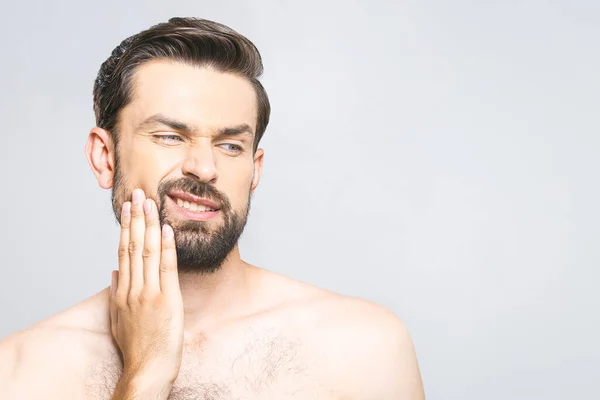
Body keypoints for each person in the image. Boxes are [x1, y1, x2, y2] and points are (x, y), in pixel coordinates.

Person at [0, 17, 425, 399]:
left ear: (254, 170)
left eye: (229, 145)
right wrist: (144, 377)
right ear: (105, 157)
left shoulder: (364, 347)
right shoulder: (21, 372)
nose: (204, 168)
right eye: (170, 136)